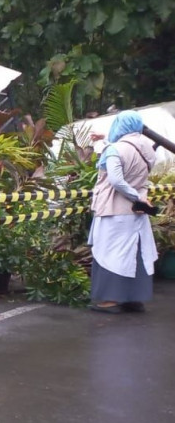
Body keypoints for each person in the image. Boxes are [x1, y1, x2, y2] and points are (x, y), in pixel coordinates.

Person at [88, 110, 158, 314]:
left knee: (109, 254)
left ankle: (110, 300)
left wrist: (133, 196)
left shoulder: (115, 150)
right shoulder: (148, 150)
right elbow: (138, 171)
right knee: (136, 252)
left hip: (114, 210)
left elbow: (116, 180)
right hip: (137, 212)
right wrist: (139, 198)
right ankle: (134, 298)